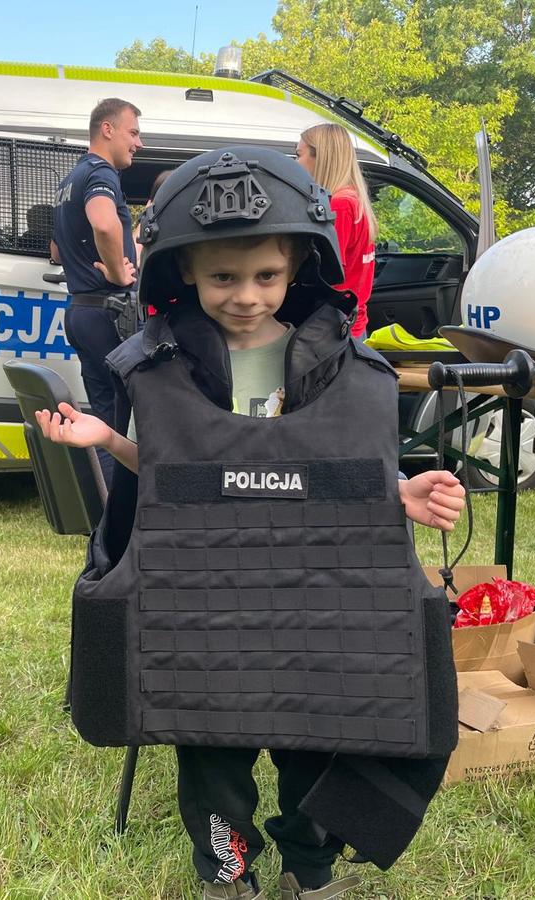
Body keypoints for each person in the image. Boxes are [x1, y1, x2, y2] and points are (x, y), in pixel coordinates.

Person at [38, 148, 465, 900]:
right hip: (203, 605)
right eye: (223, 278)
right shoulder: (163, 367)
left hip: (316, 603)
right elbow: (174, 473)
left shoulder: (344, 367)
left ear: (297, 265)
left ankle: (310, 867)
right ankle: (227, 872)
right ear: (186, 272)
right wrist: (108, 440)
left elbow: (338, 465)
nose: (246, 296)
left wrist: (401, 491)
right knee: (212, 760)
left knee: (318, 744)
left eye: (266, 276)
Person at [52, 98, 144, 485]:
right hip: (109, 313)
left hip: (81, 311)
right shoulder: (100, 173)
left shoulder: (69, 179)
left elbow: (57, 250)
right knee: (124, 419)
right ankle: (122, 504)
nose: (138, 143)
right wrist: (119, 273)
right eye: (133, 132)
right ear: (108, 129)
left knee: (105, 418)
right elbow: (104, 224)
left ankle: (107, 503)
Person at [296, 124, 377, 339]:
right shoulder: (354, 199)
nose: (295, 162)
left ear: (321, 157)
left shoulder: (339, 206)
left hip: (333, 327)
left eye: (299, 155)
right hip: (351, 322)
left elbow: (325, 272)